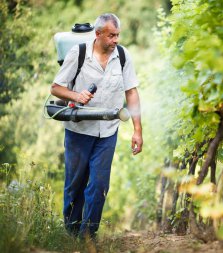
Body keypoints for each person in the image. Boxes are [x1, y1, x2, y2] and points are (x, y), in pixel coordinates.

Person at [51, 13, 143, 239]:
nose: (115, 40)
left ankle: (87, 237)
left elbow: (131, 92)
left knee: (99, 185)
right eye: (111, 35)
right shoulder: (79, 53)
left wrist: (137, 130)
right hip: (79, 131)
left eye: (118, 35)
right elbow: (55, 88)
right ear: (98, 33)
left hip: (108, 132)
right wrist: (76, 95)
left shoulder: (122, 56)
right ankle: (71, 233)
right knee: (75, 185)